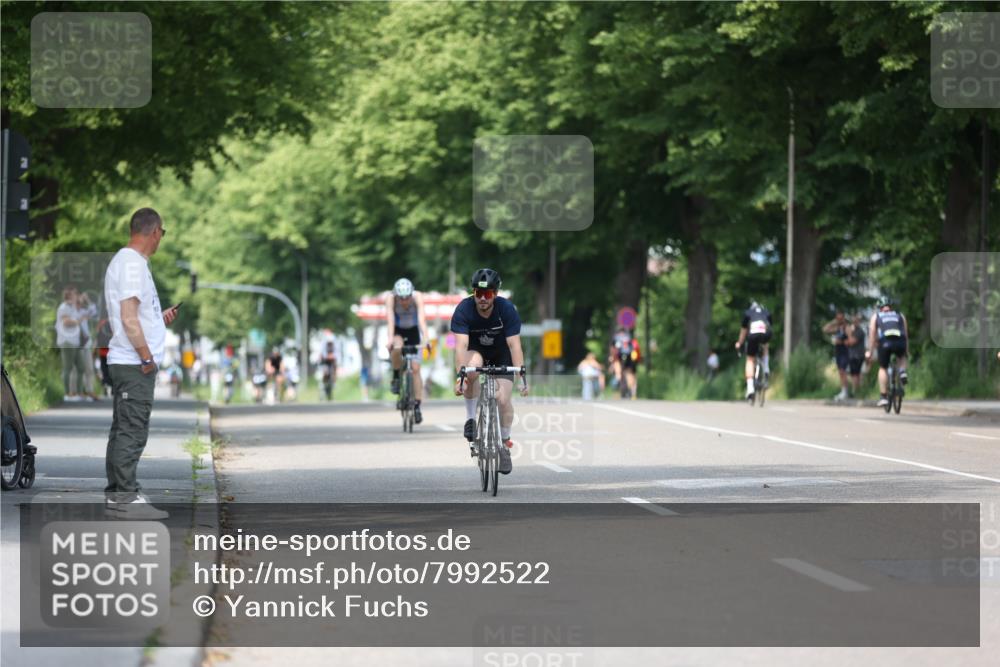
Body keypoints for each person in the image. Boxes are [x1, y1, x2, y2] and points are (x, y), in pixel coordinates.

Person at [103, 207, 179, 519]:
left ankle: (118, 496)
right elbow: (128, 318)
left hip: (127, 359)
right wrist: (146, 357)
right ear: (154, 232)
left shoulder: (128, 263)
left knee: (123, 428)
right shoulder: (132, 265)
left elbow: (135, 316)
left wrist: (158, 322)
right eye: (162, 233)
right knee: (132, 430)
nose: (161, 239)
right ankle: (125, 497)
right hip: (133, 362)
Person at [451, 268, 529, 475]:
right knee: (471, 369)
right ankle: (470, 419)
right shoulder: (464, 309)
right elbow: (460, 346)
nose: (483, 299)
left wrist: (522, 376)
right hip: (475, 352)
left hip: (501, 354)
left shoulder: (507, 309)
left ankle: (504, 444)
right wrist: (461, 377)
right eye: (478, 293)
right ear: (473, 293)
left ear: (495, 294)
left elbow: (515, 346)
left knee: (503, 400)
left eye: (488, 294)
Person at [386, 278, 430, 424]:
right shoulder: (391, 299)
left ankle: (417, 406)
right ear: (396, 296)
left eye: (407, 298)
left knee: (416, 369)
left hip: (413, 332)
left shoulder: (418, 297)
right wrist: (390, 339)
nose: (404, 301)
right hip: (398, 331)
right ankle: (396, 377)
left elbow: (422, 320)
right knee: (397, 347)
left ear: (411, 294)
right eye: (401, 298)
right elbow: (390, 321)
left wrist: (426, 339)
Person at [865, 298, 909, 408]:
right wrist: (906, 350)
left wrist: (870, 352)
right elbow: (906, 334)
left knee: (883, 368)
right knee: (902, 357)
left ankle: (883, 397)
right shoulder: (900, 315)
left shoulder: (876, 316)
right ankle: (902, 371)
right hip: (900, 341)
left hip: (885, 342)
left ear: (879, 307)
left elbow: (872, 336)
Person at [734, 300, 772, 401]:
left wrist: (739, 343)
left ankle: (750, 388)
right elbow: (769, 326)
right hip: (765, 333)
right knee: (765, 345)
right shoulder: (766, 312)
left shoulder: (748, 313)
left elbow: (743, 332)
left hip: (753, 334)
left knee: (750, 359)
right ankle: (766, 367)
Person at [55, 285, 88, 402]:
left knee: (81, 367)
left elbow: (85, 306)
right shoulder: (64, 307)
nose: (76, 295)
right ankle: (66, 394)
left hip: (75, 342)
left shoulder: (73, 307)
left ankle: (78, 393)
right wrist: (79, 320)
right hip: (67, 341)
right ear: (69, 295)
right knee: (68, 368)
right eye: (75, 294)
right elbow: (66, 322)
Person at [823, 310, 850, 400]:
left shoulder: (847, 327)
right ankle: (843, 390)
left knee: (843, 371)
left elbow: (851, 340)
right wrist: (833, 322)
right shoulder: (837, 328)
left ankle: (845, 391)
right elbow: (825, 329)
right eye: (838, 318)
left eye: (841, 318)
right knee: (840, 372)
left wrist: (841, 341)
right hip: (838, 352)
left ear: (843, 318)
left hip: (845, 352)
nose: (839, 320)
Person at [609, 327, 640, 399]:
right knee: (629, 374)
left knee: (618, 373)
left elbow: (613, 349)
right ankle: (631, 392)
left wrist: (612, 359)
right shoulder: (629, 337)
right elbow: (633, 349)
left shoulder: (616, 337)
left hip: (619, 356)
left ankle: (616, 390)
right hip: (629, 357)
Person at [846, 313, 867, 396]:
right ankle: (856, 391)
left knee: (856, 374)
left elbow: (850, 342)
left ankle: (855, 391)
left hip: (857, 355)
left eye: (856, 321)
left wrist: (848, 333)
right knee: (854, 374)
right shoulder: (854, 331)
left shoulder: (859, 331)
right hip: (853, 355)